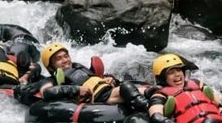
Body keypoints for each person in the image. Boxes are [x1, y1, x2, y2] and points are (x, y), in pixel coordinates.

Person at [16, 42, 149, 109]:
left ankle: (156, 103)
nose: (65, 60)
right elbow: (47, 93)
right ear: (51, 66)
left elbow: (93, 79)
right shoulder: (51, 80)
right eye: (58, 59)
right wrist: (78, 89)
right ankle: (146, 107)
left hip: (106, 90)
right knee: (127, 87)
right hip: (100, 98)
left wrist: (108, 79)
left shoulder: (79, 67)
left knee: (147, 90)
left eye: (66, 56)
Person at [147, 53, 222, 123]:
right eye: (171, 72)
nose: (177, 75)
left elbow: (221, 104)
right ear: (162, 77)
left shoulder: (197, 84)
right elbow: (156, 116)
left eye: (179, 70)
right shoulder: (160, 95)